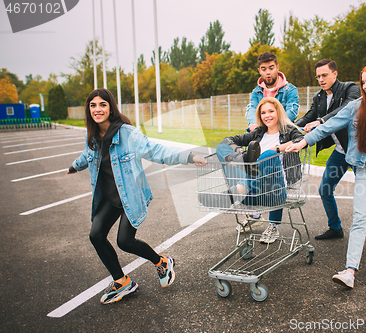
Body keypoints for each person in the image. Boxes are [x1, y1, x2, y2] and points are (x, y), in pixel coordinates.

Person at [67, 88, 206, 304]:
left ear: (110, 107)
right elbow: (88, 154)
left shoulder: (127, 134)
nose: (97, 109)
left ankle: (161, 262)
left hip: (130, 195)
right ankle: (122, 282)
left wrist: (188, 156)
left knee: (124, 241)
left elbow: (156, 150)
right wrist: (76, 166)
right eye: (93, 105)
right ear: (89, 110)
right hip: (110, 197)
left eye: (102, 104)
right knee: (96, 235)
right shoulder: (92, 137)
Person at [287, 62, 366, 288]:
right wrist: (303, 142)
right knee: (360, 216)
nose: (365, 86)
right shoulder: (356, 107)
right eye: (363, 82)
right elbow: (328, 126)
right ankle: (349, 271)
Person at [295, 59, 366, 260]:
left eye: (324, 75)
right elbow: (308, 116)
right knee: (325, 189)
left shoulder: (350, 89)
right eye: (318, 76)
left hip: (359, 151)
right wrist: (291, 127)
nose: (321, 79)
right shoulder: (319, 97)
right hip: (342, 152)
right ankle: (335, 228)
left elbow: (346, 110)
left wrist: (321, 121)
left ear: (335, 74)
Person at [207, 97, 303, 244]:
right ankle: (239, 188)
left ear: (278, 112)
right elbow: (227, 140)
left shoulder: (289, 131)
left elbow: (301, 141)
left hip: (275, 190)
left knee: (268, 155)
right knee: (221, 148)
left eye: (271, 111)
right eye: (263, 112)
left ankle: (237, 193)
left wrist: (276, 148)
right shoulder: (258, 133)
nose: (267, 115)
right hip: (252, 190)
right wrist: (238, 153)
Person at [246, 52, 299, 132]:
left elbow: (292, 111)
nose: (268, 72)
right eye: (264, 69)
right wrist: (253, 123)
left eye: (271, 68)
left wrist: (273, 125)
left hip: (283, 134)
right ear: (259, 71)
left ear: (277, 67)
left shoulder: (290, 90)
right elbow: (252, 109)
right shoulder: (256, 92)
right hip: (262, 134)